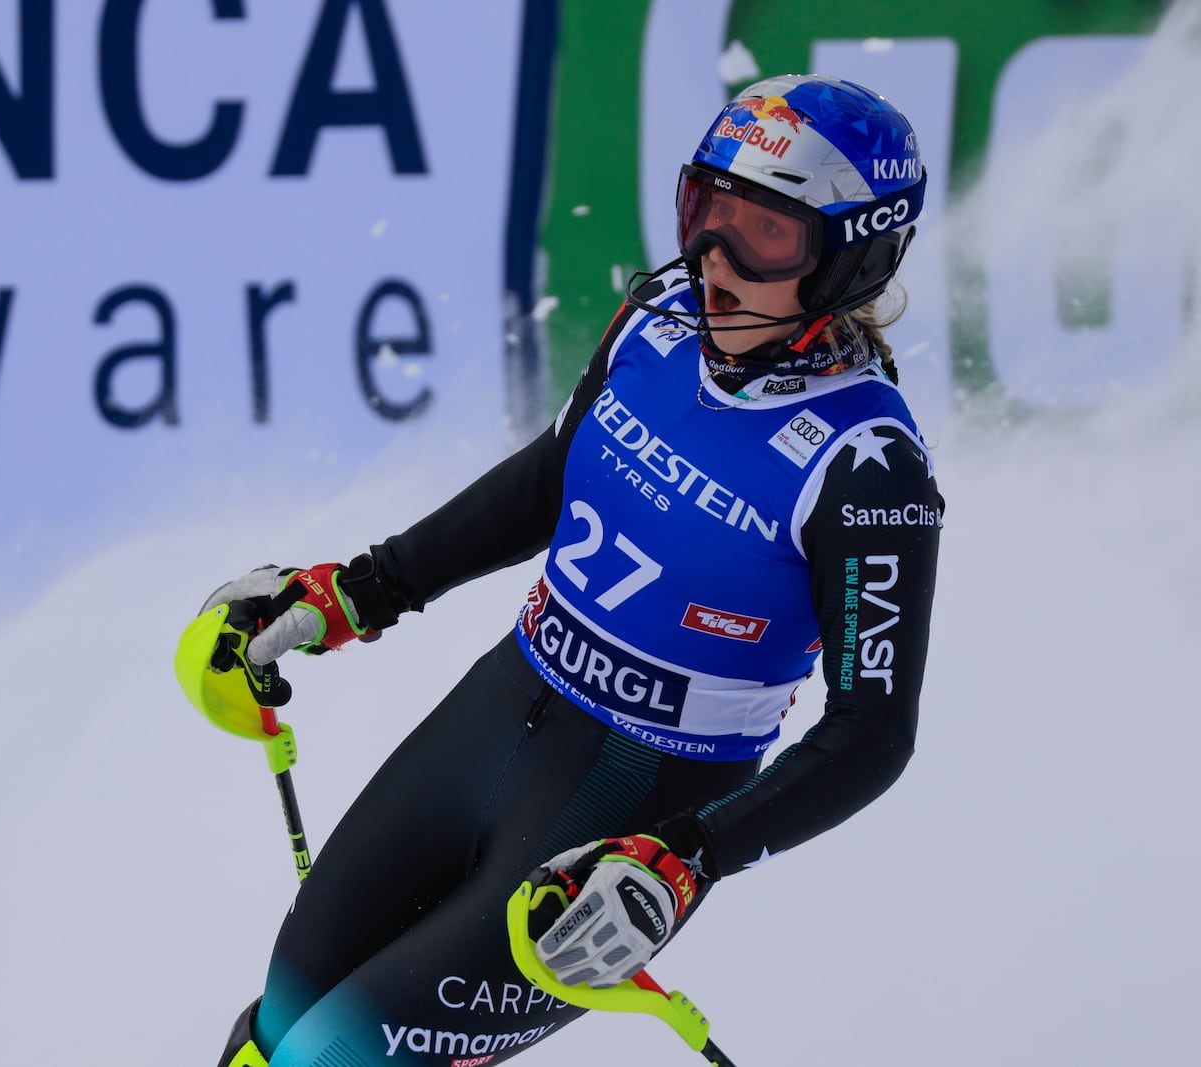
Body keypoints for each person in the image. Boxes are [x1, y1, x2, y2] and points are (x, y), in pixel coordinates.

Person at [200, 74, 943, 1066]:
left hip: (638, 797)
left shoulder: (867, 465)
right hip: (499, 706)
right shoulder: (656, 322)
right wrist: (358, 590)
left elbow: (871, 733)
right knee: (276, 1032)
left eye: (764, 235)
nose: (714, 259)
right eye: (705, 212)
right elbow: (554, 477)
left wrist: (688, 859)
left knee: (335, 1058)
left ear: (854, 255)